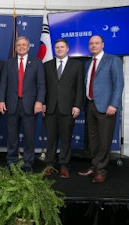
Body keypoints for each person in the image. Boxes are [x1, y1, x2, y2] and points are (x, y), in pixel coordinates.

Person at [78, 35, 124, 183]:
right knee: (93, 140)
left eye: (96, 43)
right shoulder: (88, 63)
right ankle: (94, 165)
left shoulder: (113, 60)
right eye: (91, 43)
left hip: (107, 106)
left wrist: (114, 104)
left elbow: (118, 84)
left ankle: (101, 171)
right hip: (90, 105)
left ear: (102, 45)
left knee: (104, 140)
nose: (93, 45)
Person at [0, 36, 46, 172]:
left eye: (24, 45)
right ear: (15, 47)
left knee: (29, 135)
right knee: (12, 135)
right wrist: (1, 100)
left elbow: (41, 85)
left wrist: (39, 101)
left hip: (30, 105)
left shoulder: (37, 63)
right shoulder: (9, 63)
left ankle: (28, 162)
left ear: (29, 47)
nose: (21, 47)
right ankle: (12, 160)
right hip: (11, 104)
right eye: (18, 45)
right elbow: (3, 84)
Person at [43, 38, 84, 178]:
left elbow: (80, 88)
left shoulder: (77, 65)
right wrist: (42, 103)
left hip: (68, 108)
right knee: (51, 138)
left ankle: (64, 165)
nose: (59, 49)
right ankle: (49, 164)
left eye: (62, 47)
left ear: (67, 49)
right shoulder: (47, 65)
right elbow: (43, 87)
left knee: (66, 139)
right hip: (50, 108)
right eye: (57, 47)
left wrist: (77, 105)